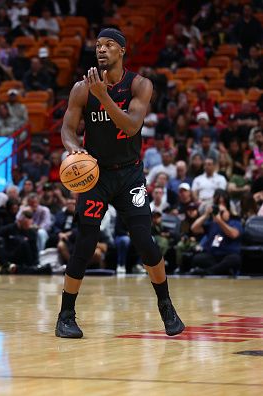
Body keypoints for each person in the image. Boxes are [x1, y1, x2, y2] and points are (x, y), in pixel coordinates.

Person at [57, 28, 184, 339]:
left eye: (109, 45)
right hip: (96, 175)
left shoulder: (140, 85)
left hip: (129, 174)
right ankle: (65, 315)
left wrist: (104, 97)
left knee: (145, 241)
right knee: (85, 243)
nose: (101, 50)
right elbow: (68, 128)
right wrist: (74, 148)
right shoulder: (81, 89)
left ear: (122, 51)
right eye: (98, 45)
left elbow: (130, 127)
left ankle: (166, 305)